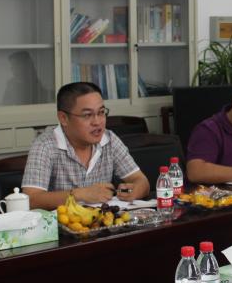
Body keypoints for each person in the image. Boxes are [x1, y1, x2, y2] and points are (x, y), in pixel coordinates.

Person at [21, 82, 150, 208]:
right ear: (63, 118)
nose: (97, 122)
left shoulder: (109, 139)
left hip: (102, 220)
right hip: (61, 222)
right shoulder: (45, 146)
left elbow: (141, 181)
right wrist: (80, 194)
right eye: (87, 115)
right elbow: (31, 199)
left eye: (101, 112)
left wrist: (134, 191)